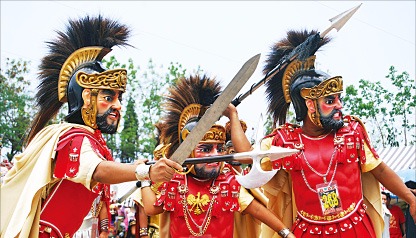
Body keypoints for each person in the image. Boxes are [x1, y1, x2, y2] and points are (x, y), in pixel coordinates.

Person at [0, 15, 182, 238]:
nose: (118, 106)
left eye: (119, 98)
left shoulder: (92, 141)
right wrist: (146, 171)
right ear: (87, 97)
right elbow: (97, 170)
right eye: (108, 97)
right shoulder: (72, 137)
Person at [231, 29, 416, 237]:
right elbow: (247, 155)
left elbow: (380, 170)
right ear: (309, 105)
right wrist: (233, 115)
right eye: (330, 101)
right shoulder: (285, 141)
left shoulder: (352, 131)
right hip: (308, 231)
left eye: (339, 99)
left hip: (355, 229)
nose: (339, 106)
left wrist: (411, 199)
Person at [141, 75, 295, 238]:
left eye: (219, 149)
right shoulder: (176, 182)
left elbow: (256, 209)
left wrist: (285, 233)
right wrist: (144, 174)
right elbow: (151, 208)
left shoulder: (227, 182)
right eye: (206, 149)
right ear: (189, 151)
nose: (215, 156)